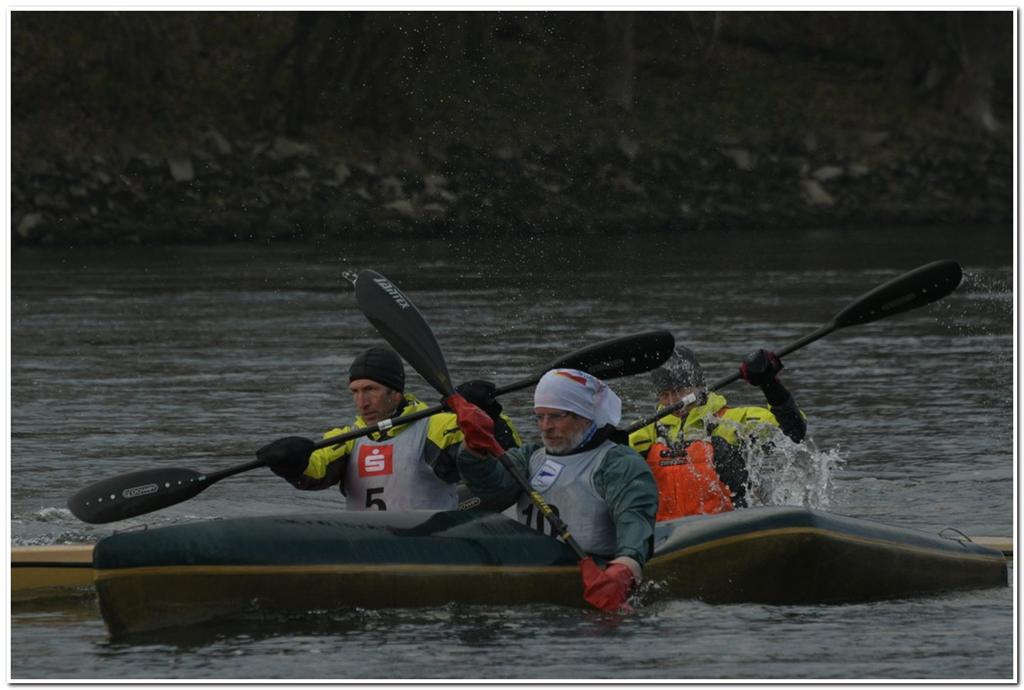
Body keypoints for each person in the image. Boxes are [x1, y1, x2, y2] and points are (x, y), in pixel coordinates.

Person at [448, 368, 657, 613]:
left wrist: (625, 567)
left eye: (556, 417)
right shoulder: (529, 458)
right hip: (534, 584)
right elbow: (491, 490)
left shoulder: (618, 463)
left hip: (596, 576)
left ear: (584, 416)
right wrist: (474, 447)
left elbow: (635, 518)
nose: (545, 427)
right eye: (540, 417)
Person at [257, 346, 521, 511]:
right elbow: (315, 470)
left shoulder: (435, 426)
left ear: (395, 393)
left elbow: (508, 451)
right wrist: (289, 463)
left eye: (370, 390)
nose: (362, 402)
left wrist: (488, 415)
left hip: (430, 543)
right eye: (355, 392)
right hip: (367, 545)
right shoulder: (347, 438)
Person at [628, 346, 807, 521]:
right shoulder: (646, 431)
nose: (673, 401)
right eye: (664, 395)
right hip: (666, 534)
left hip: (725, 529)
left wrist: (770, 385)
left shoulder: (732, 420)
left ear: (699, 386)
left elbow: (793, 431)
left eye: (679, 391)